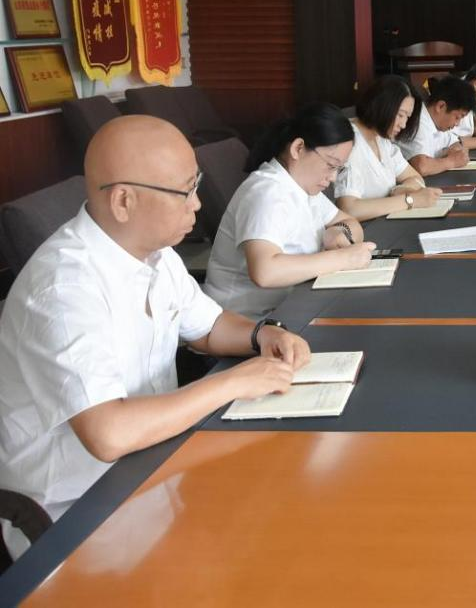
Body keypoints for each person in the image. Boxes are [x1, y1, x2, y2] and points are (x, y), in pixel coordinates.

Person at [0, 116, 311, 557]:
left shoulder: (155, 254)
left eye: (196, 185)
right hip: (77, 515)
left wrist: (263, 336)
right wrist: (234, 382)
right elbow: (108, 434)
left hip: (155, 467)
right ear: (124, 201)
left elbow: (208, 326)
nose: (197, 204)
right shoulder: (63, 287)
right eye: (185, 191)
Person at [204, 103, 373, 317]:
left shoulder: (303, 187)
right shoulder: (267, 192)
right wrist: (344, 259)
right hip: (247, 320)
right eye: (331, 165)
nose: (332, 178)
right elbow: (265, 272)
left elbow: (351, 222)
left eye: (339, 169)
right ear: (298, 148)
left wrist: (340, 231)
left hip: (290, 305)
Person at [334, 76, 445, 221]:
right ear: (381, 106)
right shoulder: (350, 141)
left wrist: (400, 189)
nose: (403, 124)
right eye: (400, 115)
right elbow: (349, 209)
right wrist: (409, 200)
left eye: (407, 117)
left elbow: (415, 177)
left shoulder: (382, 139)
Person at [398, 77, 476, 177]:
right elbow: (421, 167)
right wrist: (452, 161)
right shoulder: (418, 121)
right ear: (441, 106)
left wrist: (457, 151)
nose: (457, 123)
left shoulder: (438, 122)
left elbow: (454, 142)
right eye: (457, 117)